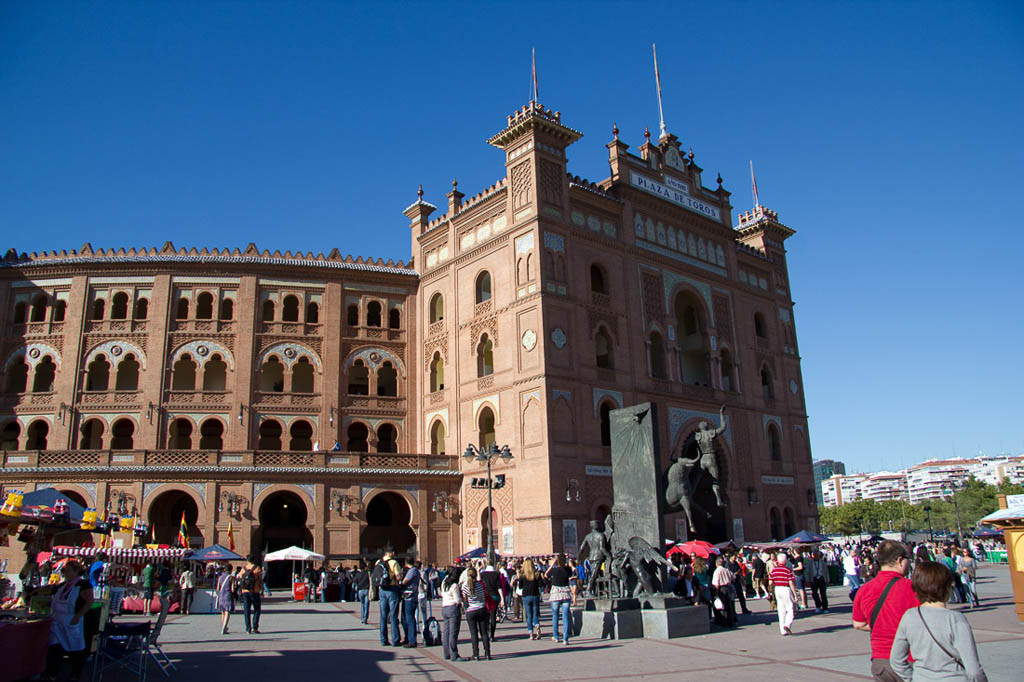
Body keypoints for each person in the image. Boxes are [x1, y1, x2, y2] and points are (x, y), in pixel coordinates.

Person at [890, 561, 988, 682]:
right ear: (946, 586)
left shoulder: (909, 616)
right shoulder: (955, 619)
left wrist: (914, 678)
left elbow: (896, 660)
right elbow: (973, 670)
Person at [852, 540, 920, 682]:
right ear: (900, 560)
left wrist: (882, 626)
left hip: (881, 660)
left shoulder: (864, 590)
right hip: (910, 658)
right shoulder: (913, 588)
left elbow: (858, 624)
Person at [42, 560, 93, 682]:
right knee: (54, 647)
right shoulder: (62, 586)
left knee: (75, 648)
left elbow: (89, 601)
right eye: (65, 570)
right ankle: (52, 674)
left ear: (76, 571)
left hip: (73, 620)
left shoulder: (83, 585)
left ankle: (75, 674)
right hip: (58, 621)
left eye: (69, 570)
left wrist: (78, 616)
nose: (66, 573)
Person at [461, 566, 491, 660]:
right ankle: (487, 653)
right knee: (484, 633)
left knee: (474, 634)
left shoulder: (466, 587)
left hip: (471, 610)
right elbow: (483, 596)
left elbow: (465, 600)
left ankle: (476, 654)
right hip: (481, 609)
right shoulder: (480, 585)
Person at [373, 551, 402, 646]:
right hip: (392, 590)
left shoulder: (378, 562)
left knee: (383, 616)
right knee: (393, 616)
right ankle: (395, 640)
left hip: (382, 590)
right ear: (393, 553)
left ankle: (383, 640)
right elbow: (398, 577)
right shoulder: (393, 562)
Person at [546, 554, 572, 644]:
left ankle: (556, 636)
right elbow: (570, 571)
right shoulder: (567, 570)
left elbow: (546, 575)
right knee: (565, 616)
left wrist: (552, 565)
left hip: (556, 593)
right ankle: (565, 639)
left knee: (555, 616)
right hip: (565, 592)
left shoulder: (554, 570)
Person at [770, 552, 797, 636]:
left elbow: (771, 582)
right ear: (785, 561)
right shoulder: (787, 570)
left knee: (781, 610)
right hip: (785, 588)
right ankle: (787, 624)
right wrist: (795, 594)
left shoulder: (774, 570)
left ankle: (782, 630)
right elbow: (791, 583)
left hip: (777, 589)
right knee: (790, 609)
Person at [440, 566, 464, 661]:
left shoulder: (444, 582)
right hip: (453, 608)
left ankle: (446, 653)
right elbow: (457, 599)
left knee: (446, 632)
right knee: (453, 633)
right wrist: (461, 601)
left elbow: (442, 594)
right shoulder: (454, 586)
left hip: (444, 607)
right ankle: (454, 654)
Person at [240, 554, 263, 634]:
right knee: (257, 609)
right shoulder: (257, 569)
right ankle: (255, 627)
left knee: (246, 610)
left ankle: (247, 629)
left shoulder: (243, 569)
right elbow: (260, 581)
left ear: (247, 560)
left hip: (245, 591)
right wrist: (262, 590)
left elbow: (240, 580)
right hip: (255, 591)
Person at [519, 559, 542, 640]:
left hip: (526, 595)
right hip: (535, 594)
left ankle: (531, 633)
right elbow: (541, 584)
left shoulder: (522, 576)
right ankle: (537, 626)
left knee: (529, 615)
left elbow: (520, 587)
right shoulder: (536, 574)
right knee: (535, 614)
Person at [401, 556, 421, 647]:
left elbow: (404, 581)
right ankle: (408, 638)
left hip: (410, 598)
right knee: (404, 619)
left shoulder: (412, 571)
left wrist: (399, 580)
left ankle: (412, 641)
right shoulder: (414, 570)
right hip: (407, 597)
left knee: (409, 619)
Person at [711, 556, 736, 627]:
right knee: (729, 605)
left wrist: (715, 593)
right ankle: (730, 621)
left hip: (721, 589)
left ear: (716, 564)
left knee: (722, 606)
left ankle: (724, 621)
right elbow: (733, 577)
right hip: (728, 587)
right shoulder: (726, 570)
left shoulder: (717, 571)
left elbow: (715, 583)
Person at [480, 560, 502, 640]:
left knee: (485, 617)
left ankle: (485, 633)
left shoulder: (482, 574)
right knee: (493, 616)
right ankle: (492, 635)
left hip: (485, 597)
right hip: (494, 596)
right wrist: (502, 598)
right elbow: (499, 587)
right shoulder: (496, 574)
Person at [807, 549, 830, 613]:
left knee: (823, 594)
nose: (815, 556)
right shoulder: (810, 562)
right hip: (813, 579)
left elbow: (826, 571)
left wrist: (827, 580)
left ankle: (825, 607)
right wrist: (807, 580)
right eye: (814, 555)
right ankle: (818, 606)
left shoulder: (822, 562)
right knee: (814, 593)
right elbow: (807, 572)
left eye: (817, 555)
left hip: (821, 578)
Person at [215, 565, 235, 635]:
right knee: (227, 611)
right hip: (227, 595)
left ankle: (224, 626)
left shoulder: (220, 577)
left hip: (221, 595)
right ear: (231, 570)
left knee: (222, 611)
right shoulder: (231, 577)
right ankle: (224, 627)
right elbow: (232, 589)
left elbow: (218, 588)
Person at [354, 559, 371, 624]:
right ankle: (365, 618)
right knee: (366, 605)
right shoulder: (367, 574)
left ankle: (362, 617)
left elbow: (355, 581)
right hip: (366, 590)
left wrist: (358, 585)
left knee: (362, 604)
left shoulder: (358, 574)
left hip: (360, 590)